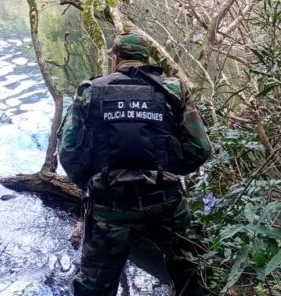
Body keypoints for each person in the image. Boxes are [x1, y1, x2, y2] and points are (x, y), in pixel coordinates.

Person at [58, 33, 212, 296]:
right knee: (194, 278)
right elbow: (200, 149)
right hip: (165, 204)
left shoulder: (90, 90)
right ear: (146, 58)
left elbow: (69, 152)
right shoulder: (172, 90)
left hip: (109, 206)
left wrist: (93, 184)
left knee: (93, 288)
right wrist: (167, 172)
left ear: (116, 59)